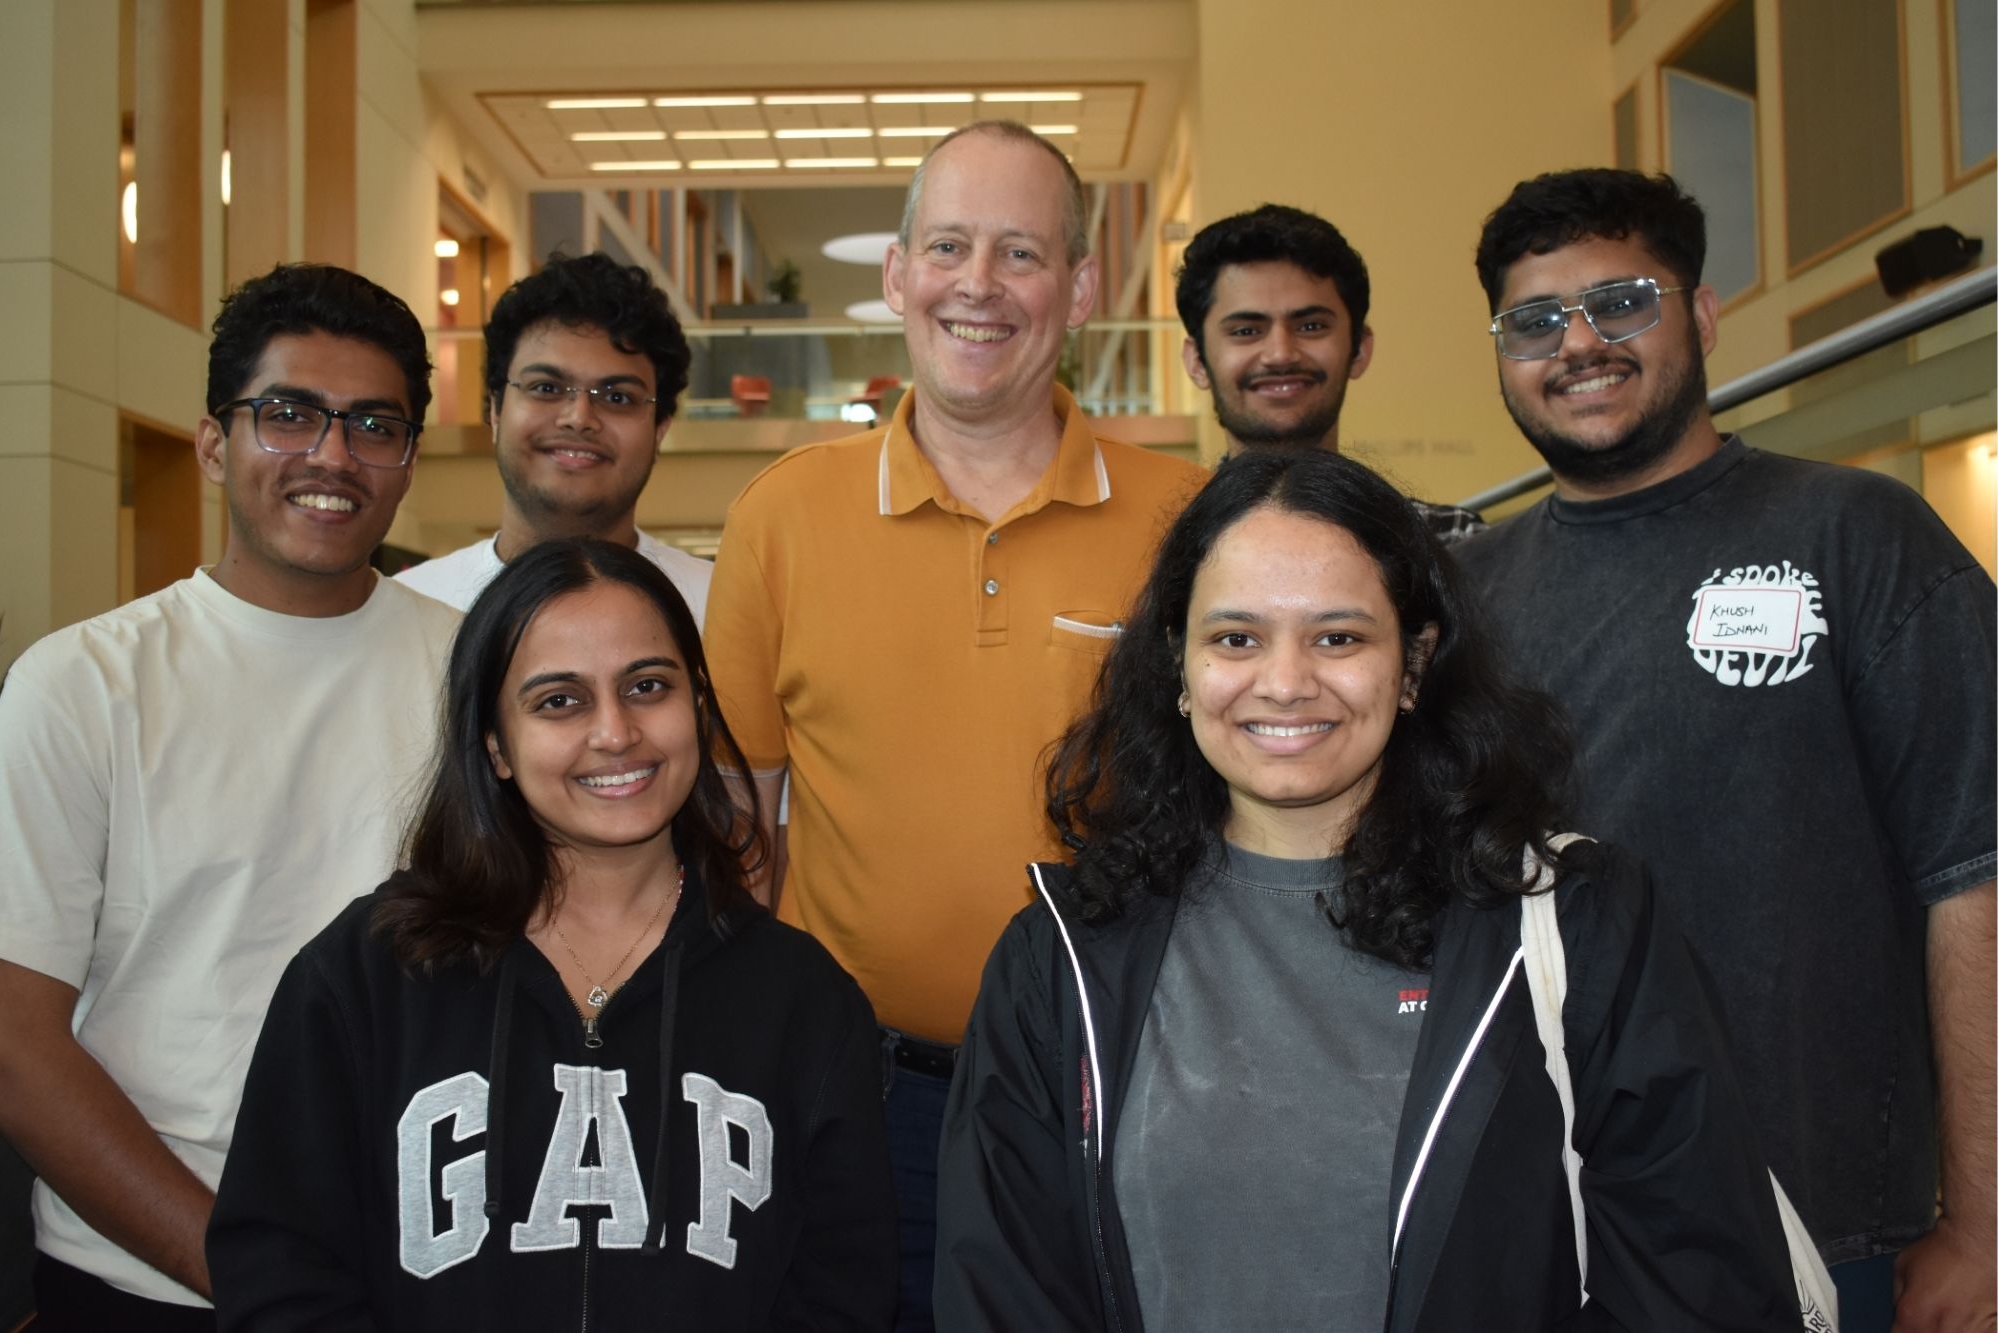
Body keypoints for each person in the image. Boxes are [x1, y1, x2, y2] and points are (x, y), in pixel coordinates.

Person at [935, 447, 1807, 1332]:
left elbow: (1697, 1278)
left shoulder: (1575, 923)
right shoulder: (1063, 953)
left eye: (1338, 637)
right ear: (1178, 667)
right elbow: (1004, 1293)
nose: (1284, 682)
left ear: (1416, 662)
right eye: (1236, 637)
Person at [1454, 168, 1996, 1333]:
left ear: (1699, 317)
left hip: (1824, 1223)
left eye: (1621, 302)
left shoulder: (1856, 538)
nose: (1578, 343)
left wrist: (1984, 1222)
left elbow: (1976, 873)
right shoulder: (1461, 595)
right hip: (1550, 1220)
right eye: (1534, 321)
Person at [702, 120, 1206, 1329]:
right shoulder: (781, 519)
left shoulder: (1187, 522)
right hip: (855, 1099)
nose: (978, 285)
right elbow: (730, 819)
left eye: (1020, 253)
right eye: (947, 246)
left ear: (1080, 289)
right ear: (896, 273)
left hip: (1121, 1092)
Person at [207, 539, 897, 1329]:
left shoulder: (801, 998)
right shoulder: (366, 974)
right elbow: (281, 1273)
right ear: (495, 744)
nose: (615, 732)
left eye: (647, 686)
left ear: (698, 709)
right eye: (558, 700)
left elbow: (844, 1290)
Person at [0, 264, 461, 1329]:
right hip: (147, 1274)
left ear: (405, 461)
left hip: (425, 1271)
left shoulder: (478, 675)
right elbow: (19, 1045)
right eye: (288, 415)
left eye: (373, 425)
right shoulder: (84, 685)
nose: (332, 456)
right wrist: (250, 1273)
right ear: (215, 442)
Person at [397, 251, 713, 623]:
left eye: (617, 397)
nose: (579, 418)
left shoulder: (719, 609)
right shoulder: (411, 608)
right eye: (546, 387)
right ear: (495, 410)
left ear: (660, 429)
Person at [1173, 203, 1485, 543]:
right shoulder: (1155, 551)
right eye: (1246, 331)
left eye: (1311, 326)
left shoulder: (1451, 544)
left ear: (1359, 349)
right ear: (1197, 362)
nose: (1280, 354)